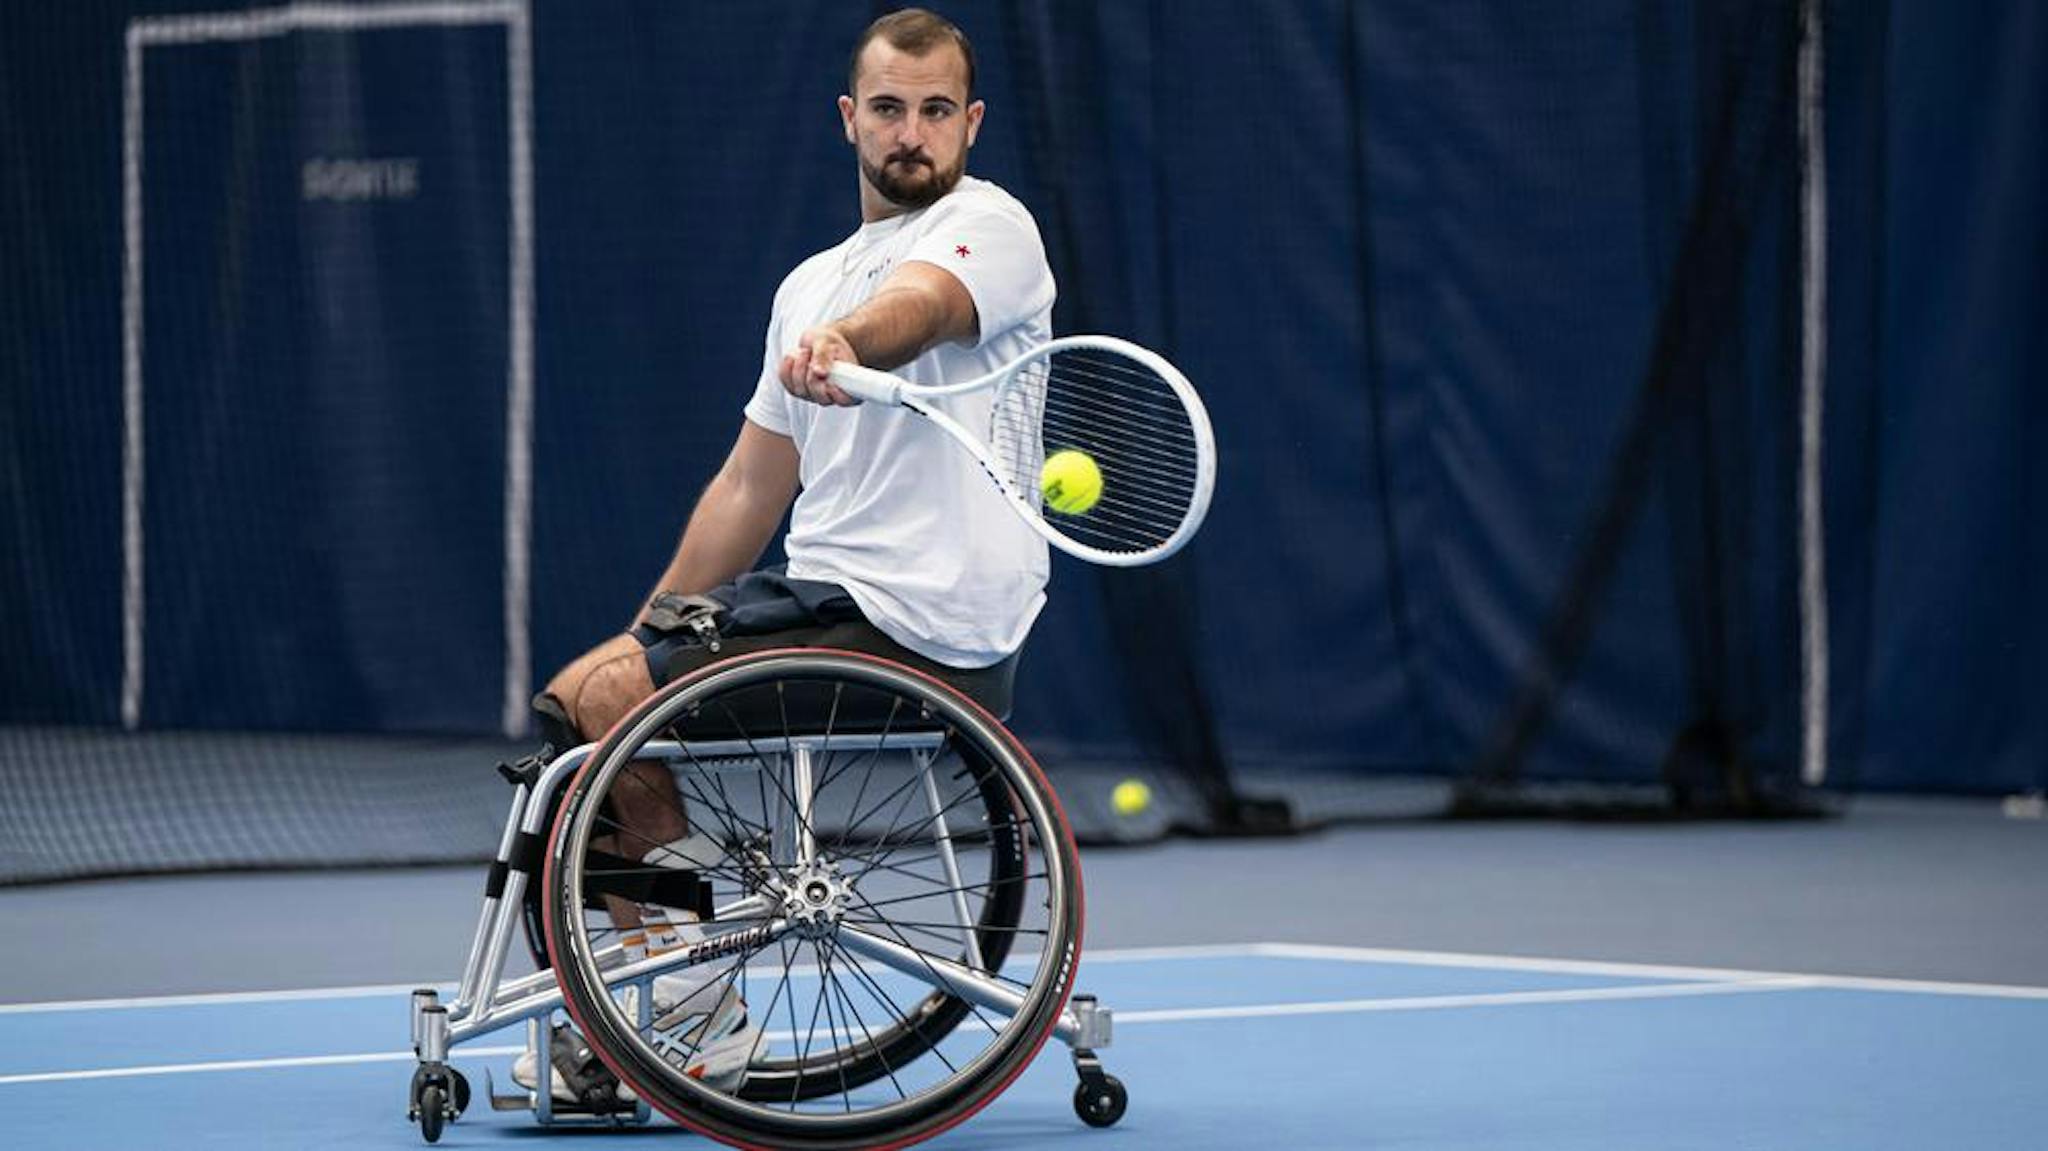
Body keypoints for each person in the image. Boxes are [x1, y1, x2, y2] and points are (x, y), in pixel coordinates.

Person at [513, 8, 1056, 1104]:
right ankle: (643, 993)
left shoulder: (990, 228)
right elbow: (748, 488)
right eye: (890, 109)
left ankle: (691, 1006)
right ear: (849, 120)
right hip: (821, 602)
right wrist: (648, 632)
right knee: (583, 695)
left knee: (610, 702)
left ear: (971, 123)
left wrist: (854, 342)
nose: (912, 133)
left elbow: (923, 308)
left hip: (923, 622)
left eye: (936, 111)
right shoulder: (804, 287)